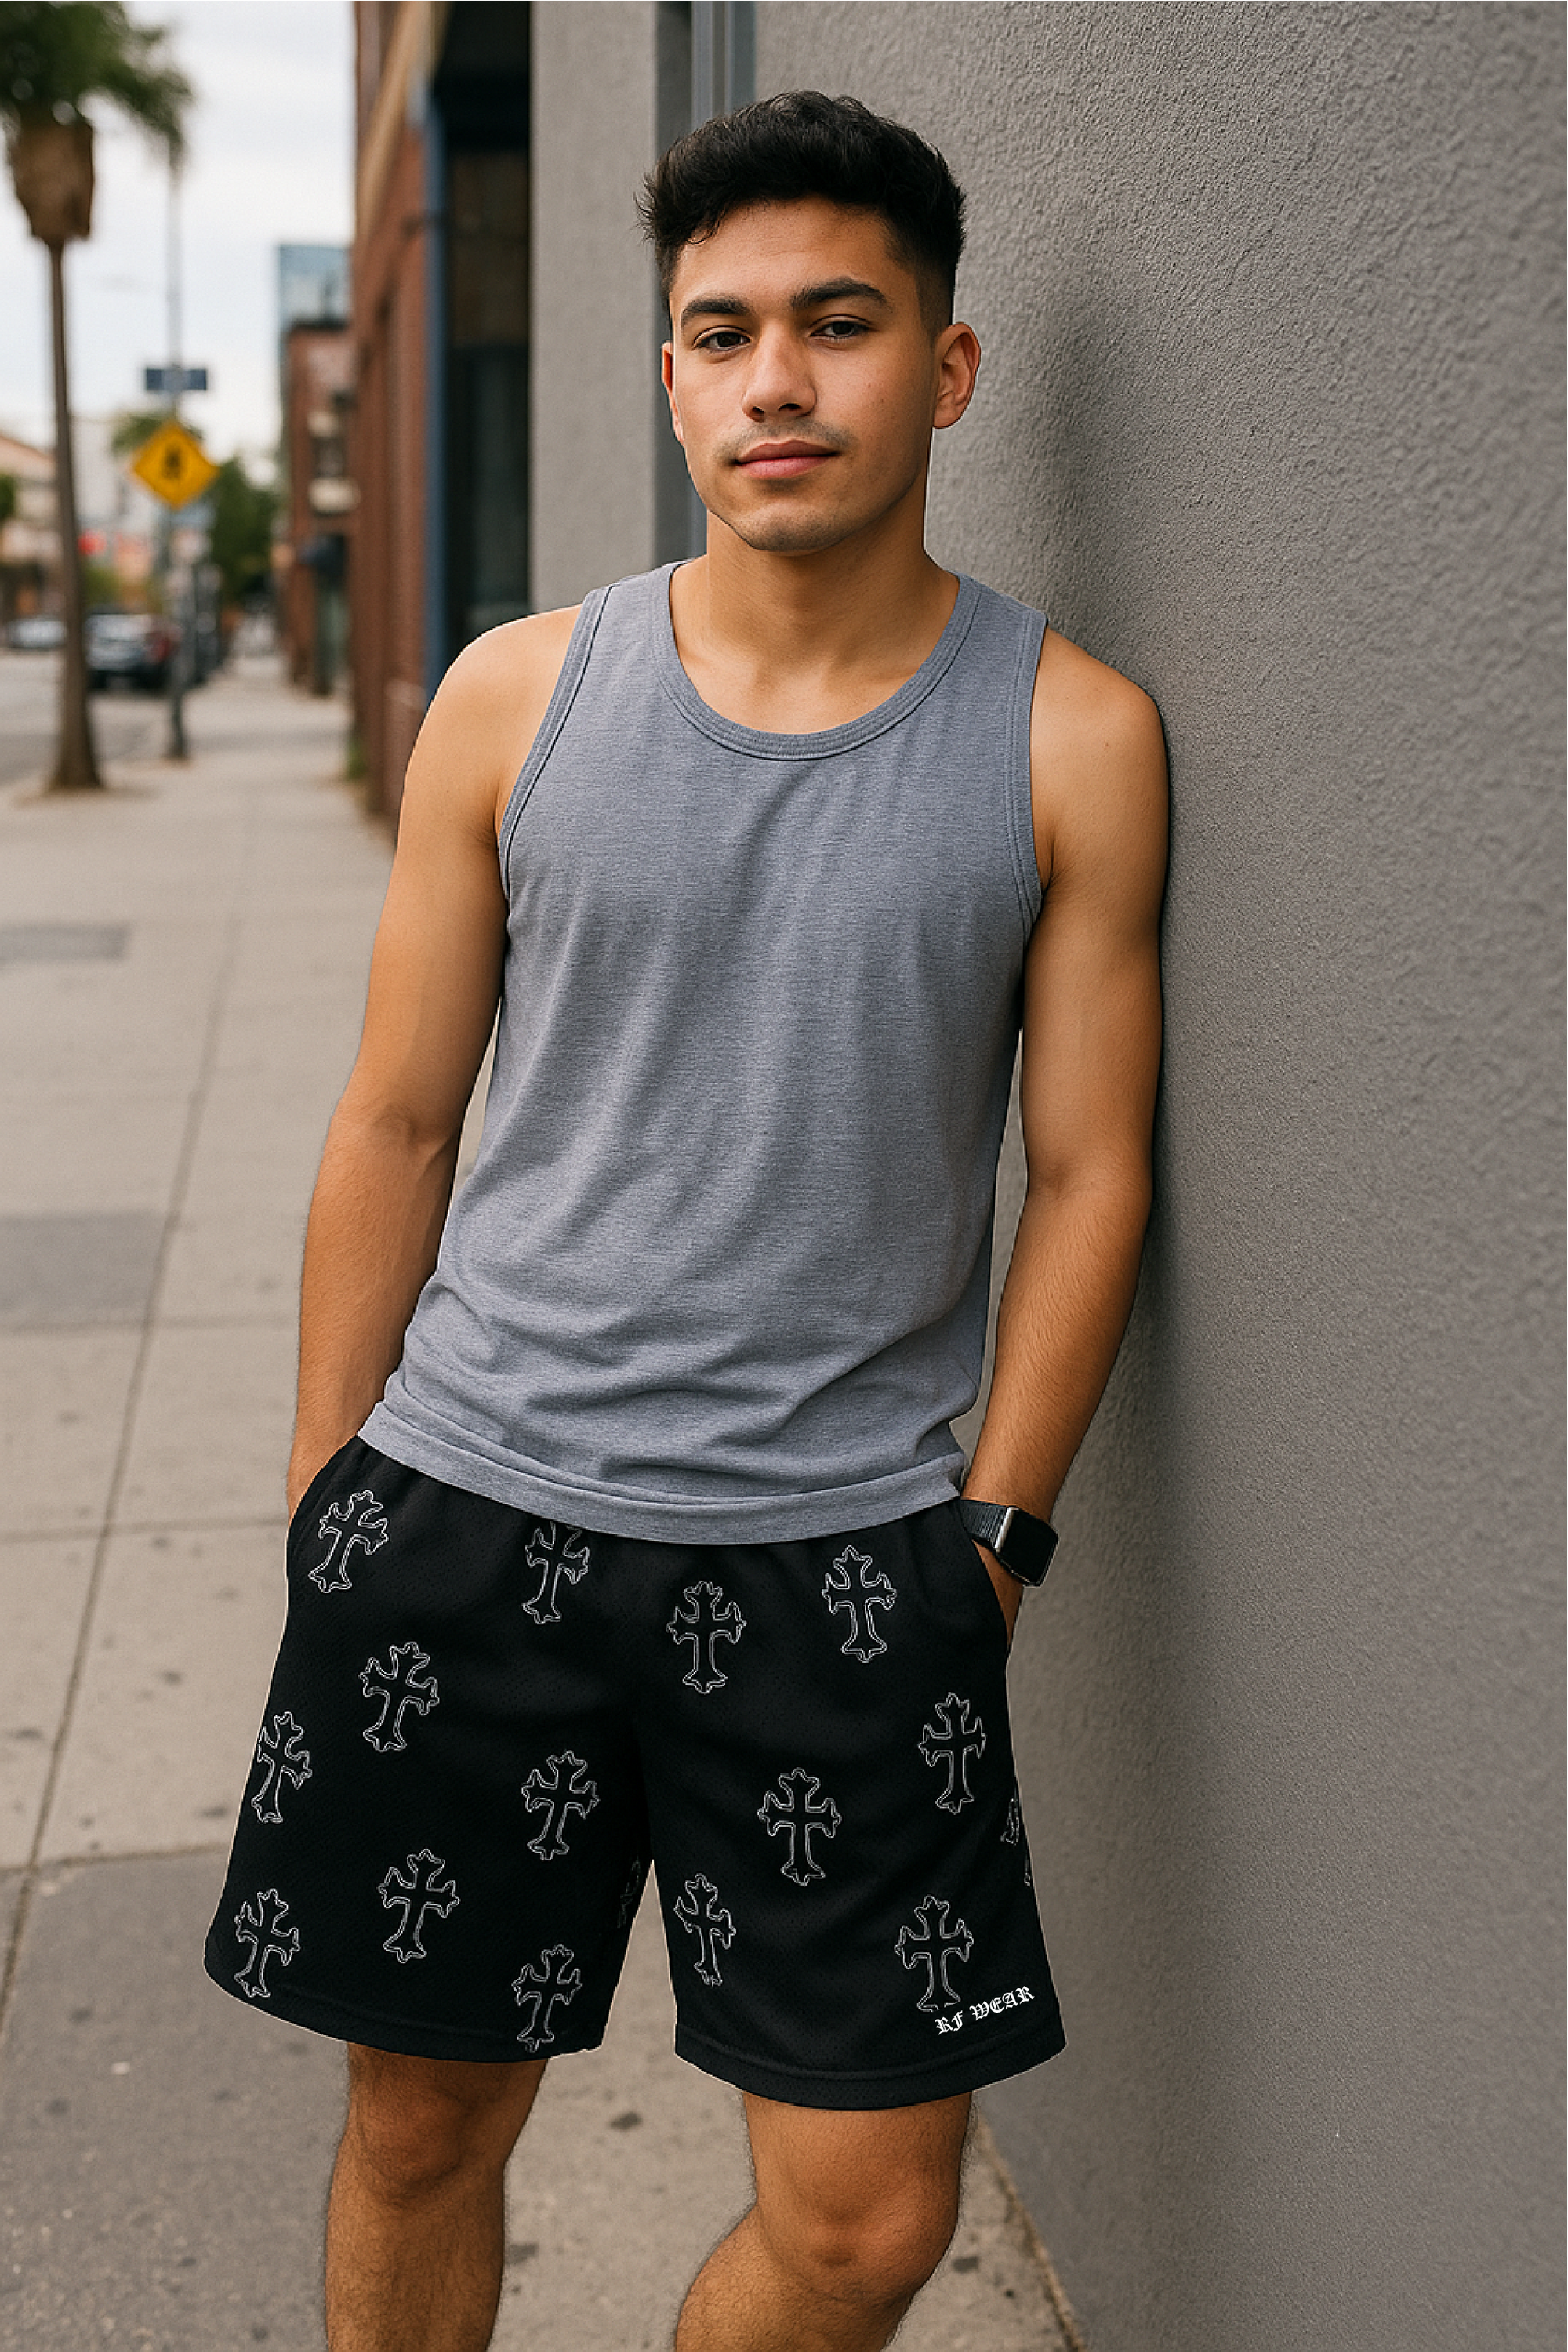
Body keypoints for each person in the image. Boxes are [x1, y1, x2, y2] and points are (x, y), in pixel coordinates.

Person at [206, 89, 1167, 2352]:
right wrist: (330, 1485)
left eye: (837, 324)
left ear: (943, 366)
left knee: (861, 2225)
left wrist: (997, 1537)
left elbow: (1097, 1170)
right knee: (425, 2129)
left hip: (842, 1562)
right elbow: (399, 1115)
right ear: (667, 377)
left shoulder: (1071, 735)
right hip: (469, 1511)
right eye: (721, 332)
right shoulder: (517, 698)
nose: (775, 380)